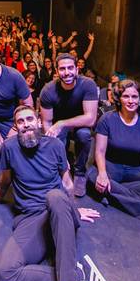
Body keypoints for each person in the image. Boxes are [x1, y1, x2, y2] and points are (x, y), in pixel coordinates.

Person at [0, 105, 100, 281]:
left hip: (59, 209)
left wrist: (74, 210)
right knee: (6, 274)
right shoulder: (9, 148)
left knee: (54, 196)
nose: (26, 124)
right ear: (16, 127)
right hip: (31, 217)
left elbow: (67, 183)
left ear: (38, 121)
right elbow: (6, 178)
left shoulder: (55, 145)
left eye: (29, 119)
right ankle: (74, 278)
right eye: (20, 122)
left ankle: (69, 276)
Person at [87, 79, 140, 226]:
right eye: (126, 96)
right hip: (110, 166)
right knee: (93, 178)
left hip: (135, 169)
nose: (131, 101)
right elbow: (100, 152)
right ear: (119, 99)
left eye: (134, 97)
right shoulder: (107, 119)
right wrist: (102, 173)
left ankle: (116, 192)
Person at [39, 53, 99, 197]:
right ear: (57, 71)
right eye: (62, 69)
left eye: (70, 68)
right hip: (58, 126)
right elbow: (47, 122)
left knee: (84, 135)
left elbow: (91, 119)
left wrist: (62, 123)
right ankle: (62, 169)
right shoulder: (48, 90)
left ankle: (79, 172)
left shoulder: (88, 84)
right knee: (57, 142)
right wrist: (54, 144)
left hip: (80, 123)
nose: (67, 72)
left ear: (77, 69)